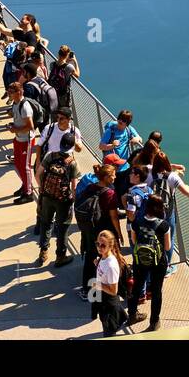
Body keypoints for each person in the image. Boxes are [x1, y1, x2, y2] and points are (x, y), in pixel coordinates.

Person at [127, 196, 172, 332]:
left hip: (140, 260)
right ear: (159, 208)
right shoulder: (163, 225)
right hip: (158, 262)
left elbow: (134, 241)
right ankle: (154, 322)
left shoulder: (136, 221)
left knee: (136, 288)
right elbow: (168, 247)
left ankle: (132, 315)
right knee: (156, 291)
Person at [75, 163, 121, 297]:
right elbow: (114, 216)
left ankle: (86, 290)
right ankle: (108, 288)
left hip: (89, 230)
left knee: (90, 257)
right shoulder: (110, 193)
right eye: (113, 175)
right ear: (106, 177)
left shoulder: (90, 187)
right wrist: (118, 233)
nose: (115, 177)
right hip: (103, 232)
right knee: (106, 258)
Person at [35, 135, 78, 268]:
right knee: (63, 228)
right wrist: (73, 199)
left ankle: (43, 251)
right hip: (63, 200)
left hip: (47, 196)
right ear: (72, 146)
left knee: (46, 223)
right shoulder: (72, 163)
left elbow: (38, 175)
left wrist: (43, 190)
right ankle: (60, 256)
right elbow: (74, 186)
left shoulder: (50, 156)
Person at [5, 81, 38, 204]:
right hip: (18, 138)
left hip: (26, 140)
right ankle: (25, 185)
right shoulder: (15, 103)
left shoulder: (25, 107)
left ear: (19, 92)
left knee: (25, 167)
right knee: (18, 164)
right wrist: (13, 126)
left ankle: (28, 193)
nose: (9, 94)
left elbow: (30, 126)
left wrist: (15, 129)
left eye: (11, 92)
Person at [91, 230, 129, 337]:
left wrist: (99, 285)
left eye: (103, 245)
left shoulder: (111, 265)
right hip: (102, 300)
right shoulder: (103, 258)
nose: (99, 247)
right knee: (106, 327)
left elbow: (113, 291)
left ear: (110, 246)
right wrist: (98, 264)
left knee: (109, 334)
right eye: (97, 244)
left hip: (110, 306)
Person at [36, 108, 82, 185]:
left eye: (62, 118)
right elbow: (39, 145)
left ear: (69, 119)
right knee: (44, 180)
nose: (58, 120)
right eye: (57, 117)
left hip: (66, 162)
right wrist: (38, 162)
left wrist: (74, 140)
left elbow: (79, 149)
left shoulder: (74, 131)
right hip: (50, 159)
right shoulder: (49, 128)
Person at [100, 110, 142, 190]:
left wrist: (136, 139)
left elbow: (140, 138)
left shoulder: (129, 129)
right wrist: (112, 145)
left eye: (123, 120)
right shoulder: (110, 131)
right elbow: (101, 146)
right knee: (110, 189)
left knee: (122, 189)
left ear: (127, 123)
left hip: (124, 166)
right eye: (119, 118)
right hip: (111, 167)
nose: (120, 121)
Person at [48, 45, 79, 120]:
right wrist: (75, 61)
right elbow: (77, 75)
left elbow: (60, 65)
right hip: (64, 94)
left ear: (58, 54)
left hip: (53, 92)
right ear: (67, 55)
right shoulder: (69, 67)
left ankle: (55, 123)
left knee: (55, 110)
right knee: (65, 111)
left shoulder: (52, 64)